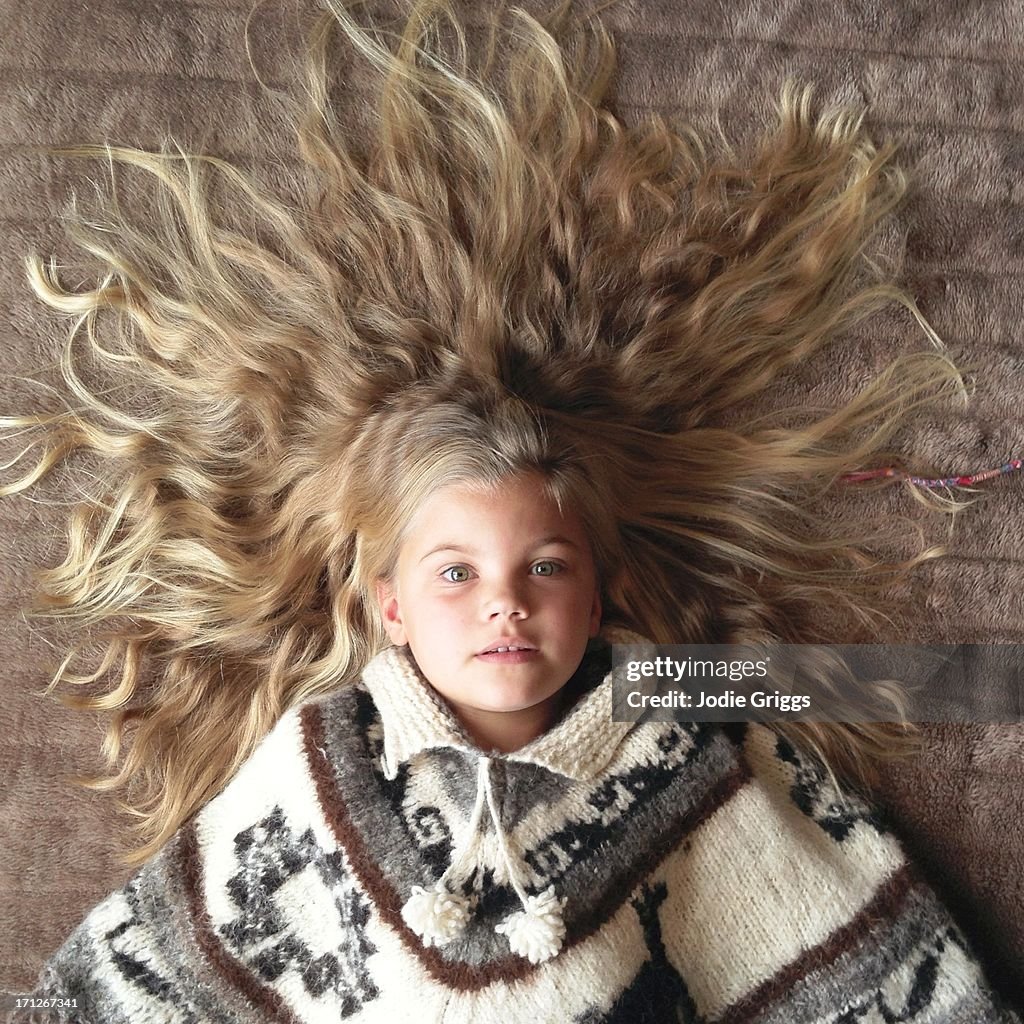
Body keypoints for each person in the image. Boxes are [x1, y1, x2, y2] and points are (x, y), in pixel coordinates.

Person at [3, 0, 1020, 1020]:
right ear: (389, 603)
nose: (506, 604)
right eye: (456, 572)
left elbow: (854, 931)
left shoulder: (685, 720)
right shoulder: (326, 756)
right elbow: (154, 979)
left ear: (601, 588)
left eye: (546, 566)